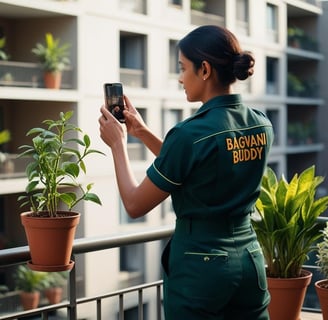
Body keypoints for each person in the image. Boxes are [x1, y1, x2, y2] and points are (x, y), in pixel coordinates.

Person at [99, 25, 273, 320]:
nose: (180, 78)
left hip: (201, 270)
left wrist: (118, 144)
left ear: (204, 70)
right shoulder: (261, 124)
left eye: (182, 68)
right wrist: (141, 132)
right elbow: (198, 164)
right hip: (249, 261)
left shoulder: (189, 134)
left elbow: (134, 204)